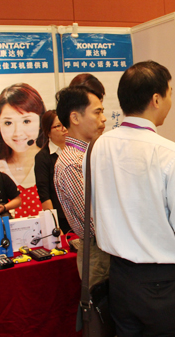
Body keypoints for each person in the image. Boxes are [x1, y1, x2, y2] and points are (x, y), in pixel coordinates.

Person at [88, 60, 175, 336]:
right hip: (162, 284)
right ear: (156, 99)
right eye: (169, 93)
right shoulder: (171, 153)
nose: (170, 101)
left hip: (119, 278)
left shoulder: (97, 147)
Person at [54, 85, 109, 287]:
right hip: (100, 250)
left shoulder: (89, 155)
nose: (104, 119)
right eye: (97, 112)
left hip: (106, 246)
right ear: (75, 118)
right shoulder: (73, 163)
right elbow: (94, 221)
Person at [0, 83, 45, 218]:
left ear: (40, 122)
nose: (18, 132)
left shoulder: (50, 161)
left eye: (26, 121)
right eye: (8, 123)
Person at [34, 110, 71, 234]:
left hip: (81, 214)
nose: (64, 129)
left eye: (65, 124)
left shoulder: (75, 151)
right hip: (61, 217)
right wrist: (54, 224)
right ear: (48, 132)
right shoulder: (43, 157)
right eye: (58, 126)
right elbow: (44, 194)